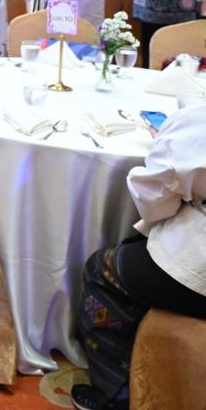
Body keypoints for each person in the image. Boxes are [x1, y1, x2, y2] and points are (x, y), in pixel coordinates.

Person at [71, 105, 206, 410]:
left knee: (101, 269)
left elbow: (154, 204)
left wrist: (168, 143)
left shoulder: (197, 122)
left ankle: (113, 396)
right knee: (140, 249)